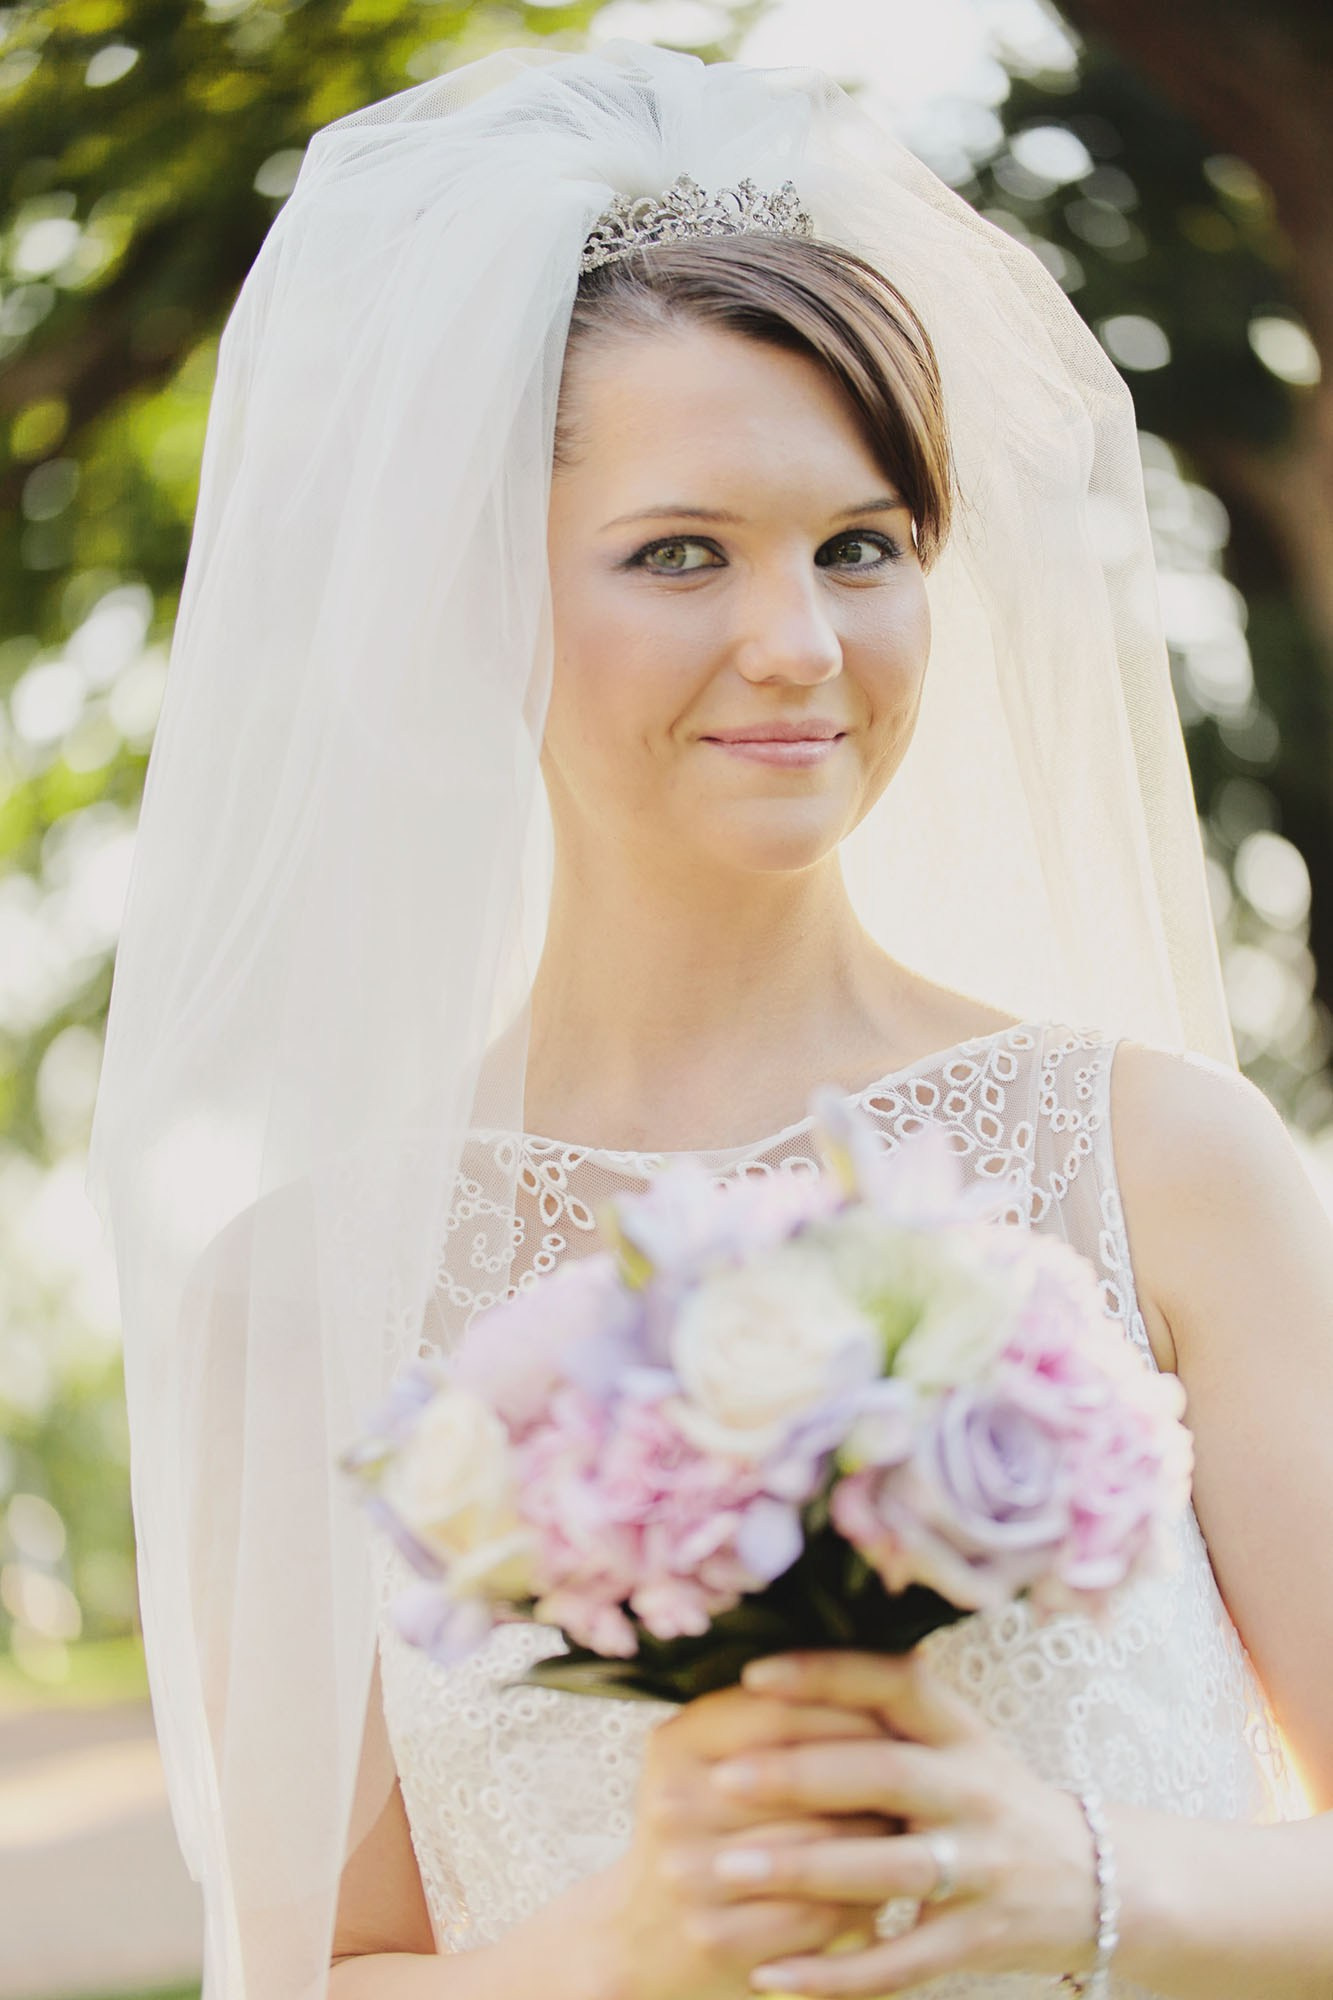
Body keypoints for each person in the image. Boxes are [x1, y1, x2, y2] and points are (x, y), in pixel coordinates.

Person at [84, 37, 1333, 2000]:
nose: (798, 644)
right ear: (471, 597)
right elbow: (321, 1970)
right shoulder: (308, 1289)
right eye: (681, 552)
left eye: (861, 545)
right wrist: (633, 1941)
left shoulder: (1160, 1163)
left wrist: (1075, 1876)